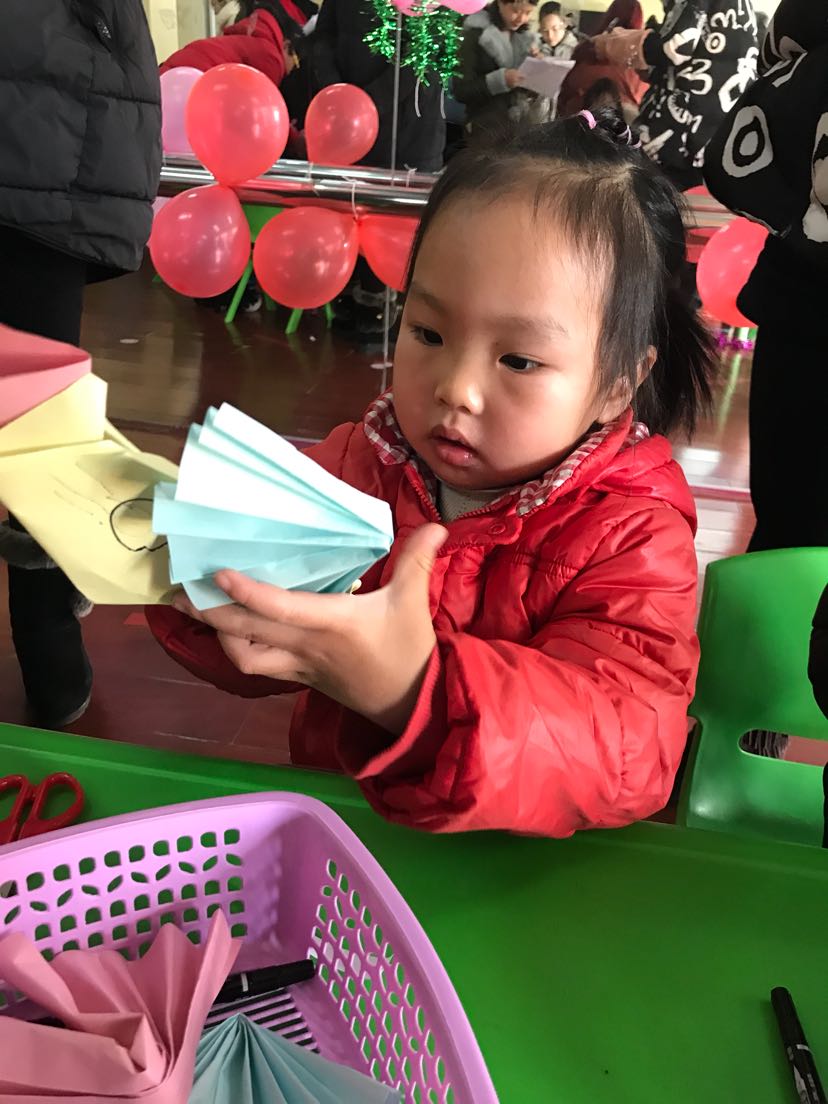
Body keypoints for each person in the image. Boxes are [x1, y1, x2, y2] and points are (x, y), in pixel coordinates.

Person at [147, 110, 716, 837]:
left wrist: (415, 694)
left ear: (617, 384)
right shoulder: (358, 462)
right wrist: (179, 562)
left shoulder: (632, 537)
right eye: (429, 332)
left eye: (518, 360)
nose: (457, 388)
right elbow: (251, 634)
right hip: (345, 840)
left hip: (516, 875)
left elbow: (630, 747)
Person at [0, 0, 161, 728]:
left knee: (42, 425)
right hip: (47, 167)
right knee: (41, 430)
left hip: (46, 152)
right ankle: (52, 658)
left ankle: (54, 659)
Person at [703, 0, 828, 552]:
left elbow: (782, 42)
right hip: (807, 295)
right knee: (793, 521)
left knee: (792, 523)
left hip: (808, 286)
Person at [312, 0, 446, 350]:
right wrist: (337, 93)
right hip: (347, 122)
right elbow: (322, 37)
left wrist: (369, 103)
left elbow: (422, 49)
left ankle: (378, 308)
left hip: (408, 126)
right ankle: (348, 297)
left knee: (390, 223)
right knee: (348, 209)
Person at [593, 0, 758, 192]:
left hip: (686, 129)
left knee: (658, 191)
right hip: (714, 129)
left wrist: (614, 43)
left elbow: (677, 46)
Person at [455, 0, 548, 142]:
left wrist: (535, 68)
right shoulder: (475, 35)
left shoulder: (523, 38)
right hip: (485, 128)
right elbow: (461, 91)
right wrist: (500, 80)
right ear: (500, 3)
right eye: (516, 11)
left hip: (519, 125)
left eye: (528, 12)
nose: (521, 19)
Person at [557, 0, 646, 122]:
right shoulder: (642, 63)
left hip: (575, 123)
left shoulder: (587, 49)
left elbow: (565, 95)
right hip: (620, 127)